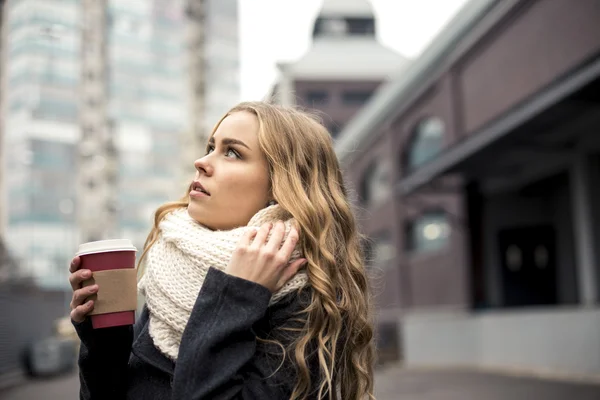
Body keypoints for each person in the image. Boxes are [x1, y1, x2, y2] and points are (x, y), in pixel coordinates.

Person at [68, 101, 375, 400]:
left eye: (232, 152)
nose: (201, 162)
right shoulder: (175, 271)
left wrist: (239, 293)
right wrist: (104, 345)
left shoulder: (304, 301)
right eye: (210, 147)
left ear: (280, 187)